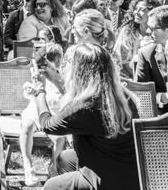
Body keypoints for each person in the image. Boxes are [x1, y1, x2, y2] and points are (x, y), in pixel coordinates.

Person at [29, 42, 140, 190]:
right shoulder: (121, 97)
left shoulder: (85, 106)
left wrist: (39, 91)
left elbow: (48, 125)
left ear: (78, 71)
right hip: (129, 172)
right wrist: (56, 79)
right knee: (66, 159)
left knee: (51, 186)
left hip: (105, 180)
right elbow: (79, 107)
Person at [20, 42, 65, 185]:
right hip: (35, 109)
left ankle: (54, 168)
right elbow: (31, 91)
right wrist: (30, 90)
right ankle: (28, 168)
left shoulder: (60, 76)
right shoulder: (39, 74)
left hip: (54, 113)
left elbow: (64, 95)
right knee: (26, 126)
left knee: (60, 139)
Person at [135, 5, 168, 113]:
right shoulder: (146, 54)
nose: (148, 31)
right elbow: (141, 93)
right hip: (161, 116)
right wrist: (163, 97)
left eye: (153, 28)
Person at [113, 0, 160, 78]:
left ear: (152, 12)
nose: (136, 12)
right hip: (130, 77)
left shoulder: (159, 32)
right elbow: (121, 60)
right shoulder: (127, 31)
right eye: (136, 9)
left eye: (142, 9)